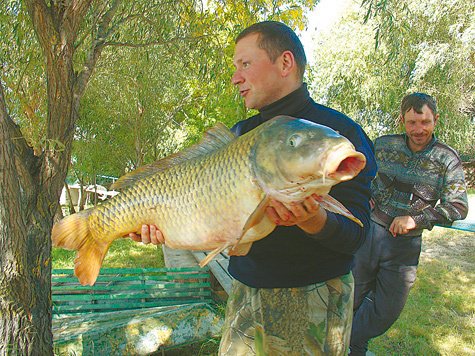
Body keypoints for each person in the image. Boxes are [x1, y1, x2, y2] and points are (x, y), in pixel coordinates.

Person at [132, 21, 377, 355]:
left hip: (313, 295)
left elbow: (357, 235)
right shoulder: (239, 134)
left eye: (245, 64)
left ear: (285, 63)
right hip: (246, 290)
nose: (236, 77)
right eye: (236, 67)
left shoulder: (338, 134)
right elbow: (202, 217)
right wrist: (159, 225)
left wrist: (312, 220)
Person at [349, 92, 469, 355]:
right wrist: (363, 195)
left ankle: (344, 341)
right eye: (412, 122)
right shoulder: (381, 145)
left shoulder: (447, 159)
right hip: (368, 236)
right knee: (349, 301)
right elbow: (354, 173)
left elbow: (459, 206)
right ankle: (348, 347)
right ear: (402, 120)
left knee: (385, 311)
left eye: (425, 122)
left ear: (435, 120)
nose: (418, 130)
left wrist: (416, 220)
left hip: (403, 248)